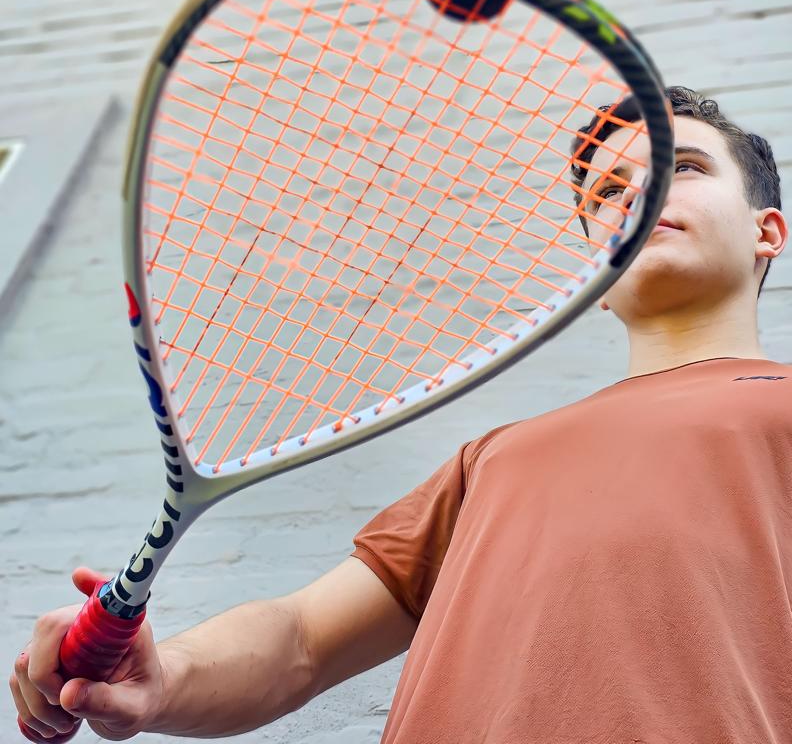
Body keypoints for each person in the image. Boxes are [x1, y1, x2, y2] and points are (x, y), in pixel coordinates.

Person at [11, 86, 790, 743]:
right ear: (597, 271)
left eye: (681, 168)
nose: (639, 193)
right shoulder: (497, 459)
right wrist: (165, 675)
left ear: (768, 231)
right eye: (608, 192)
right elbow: (303, 641)